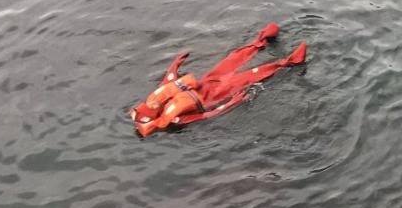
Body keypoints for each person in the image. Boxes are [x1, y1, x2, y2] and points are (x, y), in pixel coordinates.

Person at [130, 24, 307, 137]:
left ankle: (261, 41)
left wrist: (176, 64)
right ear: (153, 116)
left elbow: (169, 80)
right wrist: (232, 103)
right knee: (252, 75)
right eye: (152, 108)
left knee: (232, 59)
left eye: (150, 104)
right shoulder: (176, 120)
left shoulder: (156, 100)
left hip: (207, 82)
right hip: (215, 95)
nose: (153, 104)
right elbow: (206, 115)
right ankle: (289, 61)